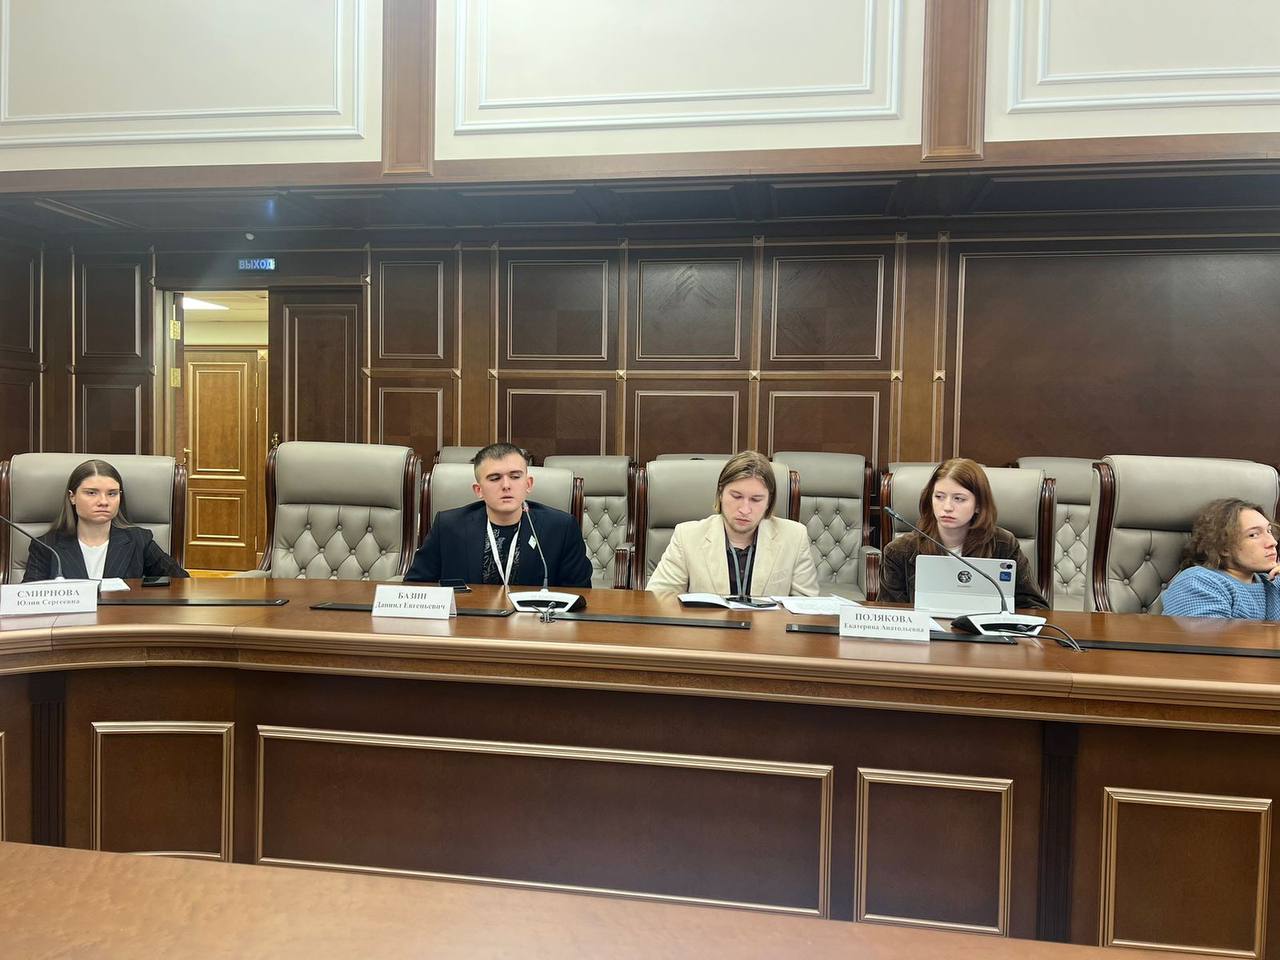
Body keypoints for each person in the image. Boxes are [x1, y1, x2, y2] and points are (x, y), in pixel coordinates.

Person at [405, 443, 592, 587]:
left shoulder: (561, 527)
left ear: (528, 484)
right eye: (495, 478)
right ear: (478, 490)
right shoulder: (448, 526)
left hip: (536, 623)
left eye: (515, 477)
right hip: (468, 622)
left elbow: (580, 593)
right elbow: (416, 586)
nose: (506, 485)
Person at [878, 458, 1048, 609]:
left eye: (959, 498)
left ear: (979, 505)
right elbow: (891, 614)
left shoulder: (1004, 545)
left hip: (983, 634)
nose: (947, 507)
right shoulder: (899, 551)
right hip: (927, 634)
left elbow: (1034, 608)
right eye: (939, 497)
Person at [646, 451, 819, 597]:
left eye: (756, 500)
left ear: (769, 501)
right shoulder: (687, 536)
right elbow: (657, 599)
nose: (745, 509)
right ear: (720, 493)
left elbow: (807, 609)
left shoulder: (794, 537)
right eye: (736, 496)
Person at [22, 459, 189, 582]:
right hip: (68, 621)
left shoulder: (139, 541)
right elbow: (26, 602)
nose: (103, 501)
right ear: (72, 497)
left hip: (123, 620)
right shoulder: (46, 546)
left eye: (112, 494)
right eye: (91, 493)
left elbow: (182, 584)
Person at [1161, 498, 1280, 620]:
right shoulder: (1198, 583)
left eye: (1269, 531)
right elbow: (1208, 632)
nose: (1273, 542)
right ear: (1224, 547)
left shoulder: (1273, 582)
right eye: (1253, 535)